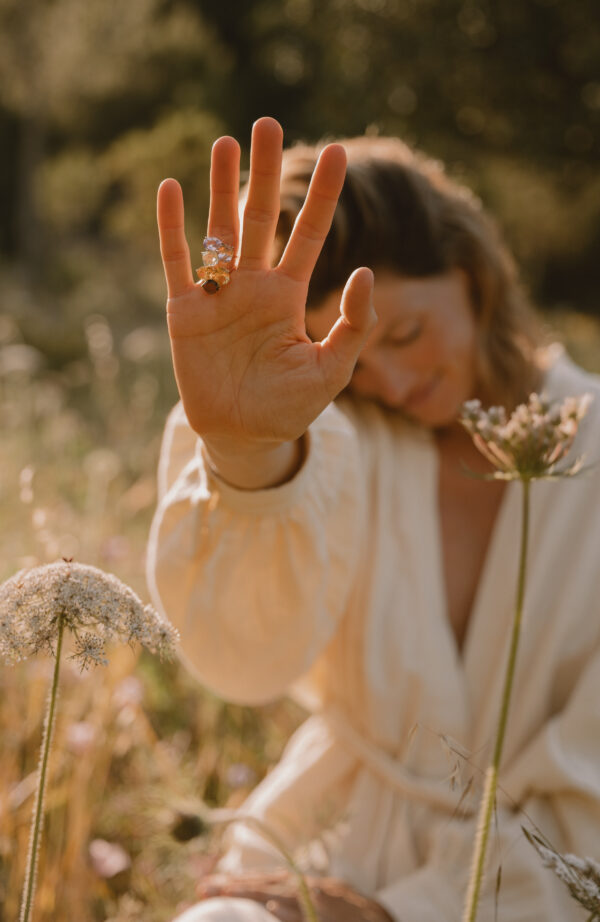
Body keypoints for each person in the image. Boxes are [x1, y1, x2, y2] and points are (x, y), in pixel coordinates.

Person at [147, 117, 600, 922]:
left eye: (405, 333)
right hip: (321, 849)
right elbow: (241, 662)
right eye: (349, 357)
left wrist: (394, 913)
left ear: (474, 275)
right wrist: (248, 454)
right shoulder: (346, 431)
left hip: (545, 887)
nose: (385, 379)